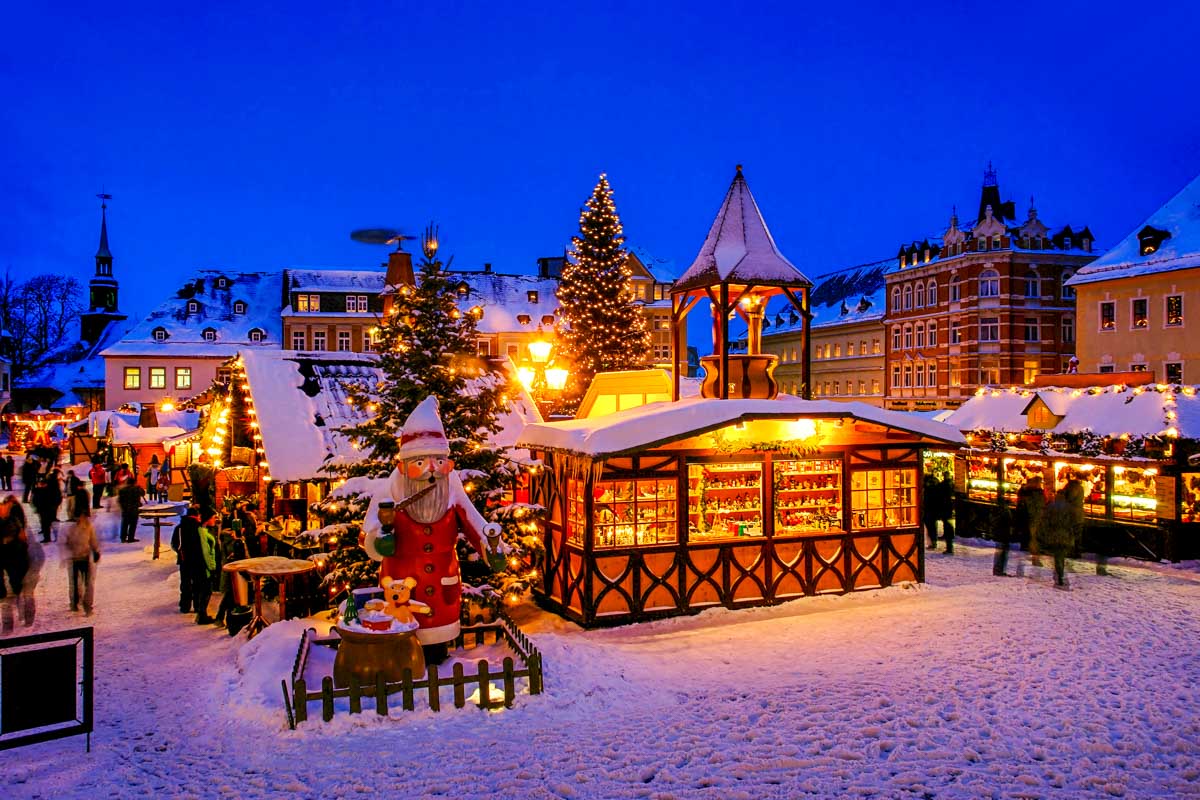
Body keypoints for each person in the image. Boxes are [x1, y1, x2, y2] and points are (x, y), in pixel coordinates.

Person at [179, 508, 215, 624]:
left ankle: (190, 607)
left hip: (189, 561)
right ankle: (200, 613)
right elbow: (204, 551)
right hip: (199, 564)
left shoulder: (185, 526)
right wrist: (211, 566)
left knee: (193, 585)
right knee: (204, 589)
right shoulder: (198, 530)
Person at [0, 496, 30, 634]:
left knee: (14, 578)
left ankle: (16, 592)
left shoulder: (14, 520)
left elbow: (22, 536)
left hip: (12, 552)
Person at [64, 505, 101, 614]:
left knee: (88, 583)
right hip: (74, 559)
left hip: (85, 557)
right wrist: (68, 554)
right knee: (75, 583)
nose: (83, 518)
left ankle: (87, 605)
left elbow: (93, 540)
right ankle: (74, 602)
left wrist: (95, 551)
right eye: (82, 516)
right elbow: (64, 543)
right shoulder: (69, 527)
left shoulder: (88, 526)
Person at [214, 525, 247, 627]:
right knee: (231, 597)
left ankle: (223, 619)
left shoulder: (228, 540)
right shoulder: (233, 542)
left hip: (231, 573)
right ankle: (227, 621)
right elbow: (240, 557)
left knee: (230, 596)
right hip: (234, 574)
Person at [171, 507, 200, 614]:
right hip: (197, 559)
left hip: (184, 559)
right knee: (197, 583)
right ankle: (197, 606)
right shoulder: (199, 527)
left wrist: (180, 552)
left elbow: (174, 543)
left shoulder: (179, 527)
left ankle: (185, 606)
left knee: (185, 583)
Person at [1015, 475, 1047, 568]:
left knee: (1031, 536)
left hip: (1030, 517)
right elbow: (1036, 506)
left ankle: (1030, 553)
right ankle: (1035, 558)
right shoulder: (1034, 493)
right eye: (1039, 483)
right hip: (1032, 517)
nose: (1040, 484)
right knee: (1033, 537)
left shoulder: (1026, 492)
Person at [31, 474, 62, 544]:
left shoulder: (49, 491)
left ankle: (48, 538)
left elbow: (56, 499)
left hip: (47, 510)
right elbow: (35, 499)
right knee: (45, 524)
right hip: (42, 510)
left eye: (42, 484)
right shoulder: (38, 490)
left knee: (46, 524)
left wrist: (54, 506)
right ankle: (47, 536)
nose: (41, 485)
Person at [117, 477, 145, 543]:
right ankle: (130, 538)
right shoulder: (137, 489)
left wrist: (122, 507)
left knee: (124, 524)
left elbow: (120, 500)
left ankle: (123, 538)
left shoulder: (122, 490)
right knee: (133, 524)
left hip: (125, 509)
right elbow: (143, 493)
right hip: (134, 509)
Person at [991, 499, 1013, 577]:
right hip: (1003, 535)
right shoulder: (1005, 512)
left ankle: (998, 570)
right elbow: (1007, 523)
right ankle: (999, 570)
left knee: (1000, 553)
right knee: (1001, 553)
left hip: (1000, 535)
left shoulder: (999, 512)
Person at [936, 472, 956, 555]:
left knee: (948, 526)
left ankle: (949, 548)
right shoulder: (952, 484)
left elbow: (939, 493)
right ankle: (949, 545)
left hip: (945, 508)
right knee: (948, 526)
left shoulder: (943, 485)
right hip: (949, 508)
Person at [922, 472, 940, 550]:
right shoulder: (935, 488)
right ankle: (933, 542)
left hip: (928, 510)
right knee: (932, 527)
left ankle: (932, 543)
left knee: (930, 527)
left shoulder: (927, 490)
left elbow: (926, 500)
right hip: (933, 510)